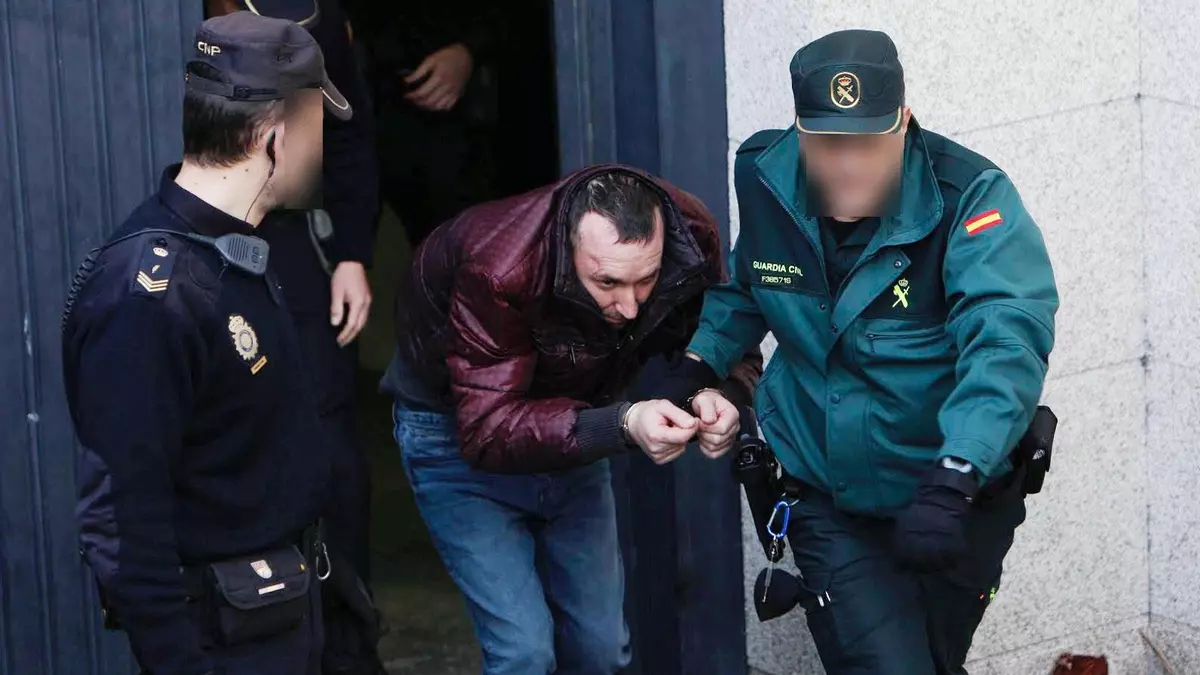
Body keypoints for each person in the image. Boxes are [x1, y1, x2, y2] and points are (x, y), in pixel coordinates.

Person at [678, 30, 1059, 674]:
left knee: (934, 661)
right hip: (828, 496)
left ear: (904, 123)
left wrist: (957, 471)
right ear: (800, 132)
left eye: (869, 143)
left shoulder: (970, 197)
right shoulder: (766, 177)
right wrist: (696, 366)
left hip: (951, 496)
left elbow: (1005, 343)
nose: (848, 166)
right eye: (828, 144)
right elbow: (750, 285)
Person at [61, 12, 352, 675]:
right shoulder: (150, 296)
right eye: (316, 128)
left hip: (282, 609)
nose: (325, 148)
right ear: (274, 138)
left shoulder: (235, 250)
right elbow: (121, 523)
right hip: (227, 641)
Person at [381, 168, 762, 674]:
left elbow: (727, 331)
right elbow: (487, 428)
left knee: (600, 649)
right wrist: (623, 423)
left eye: (646, 281)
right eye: (608, 282)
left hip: (573, 430)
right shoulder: (497, 266)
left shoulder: (688, 235)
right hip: (457, 438)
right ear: (568, 247)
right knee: (523, 651)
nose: (630, 306)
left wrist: (722, 393)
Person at [203, 1, 383, 672]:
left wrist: (353, 254)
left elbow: (350, 133)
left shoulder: (308, 11)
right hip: (196, 241)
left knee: (333, 461)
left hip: (298, 249)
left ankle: (348, 648)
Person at [342, 0, 506, 247]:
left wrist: (468, 52)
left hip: (450, 115)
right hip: (354, 103)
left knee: (460, 247)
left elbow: (517, 15)